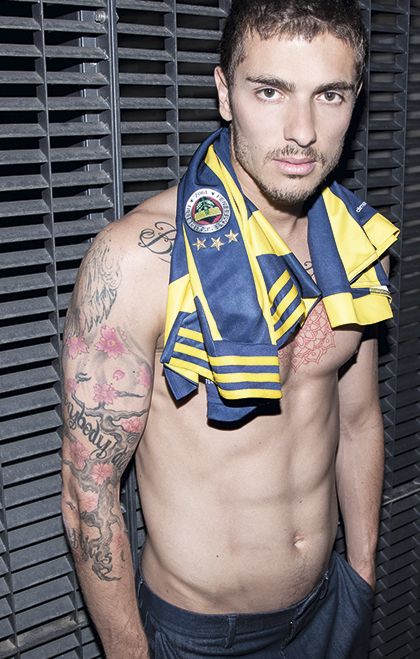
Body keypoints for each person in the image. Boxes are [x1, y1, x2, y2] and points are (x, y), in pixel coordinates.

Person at [61, 1, 399, 657]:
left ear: (354, 100)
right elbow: (87, 487)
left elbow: (359, 421)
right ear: (225, 93)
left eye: (329, 95)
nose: (302, 131)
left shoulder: (358, 247)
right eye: (270, 91)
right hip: (202, 636)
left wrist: (361, 571)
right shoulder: (137, 260)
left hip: (330, 607)